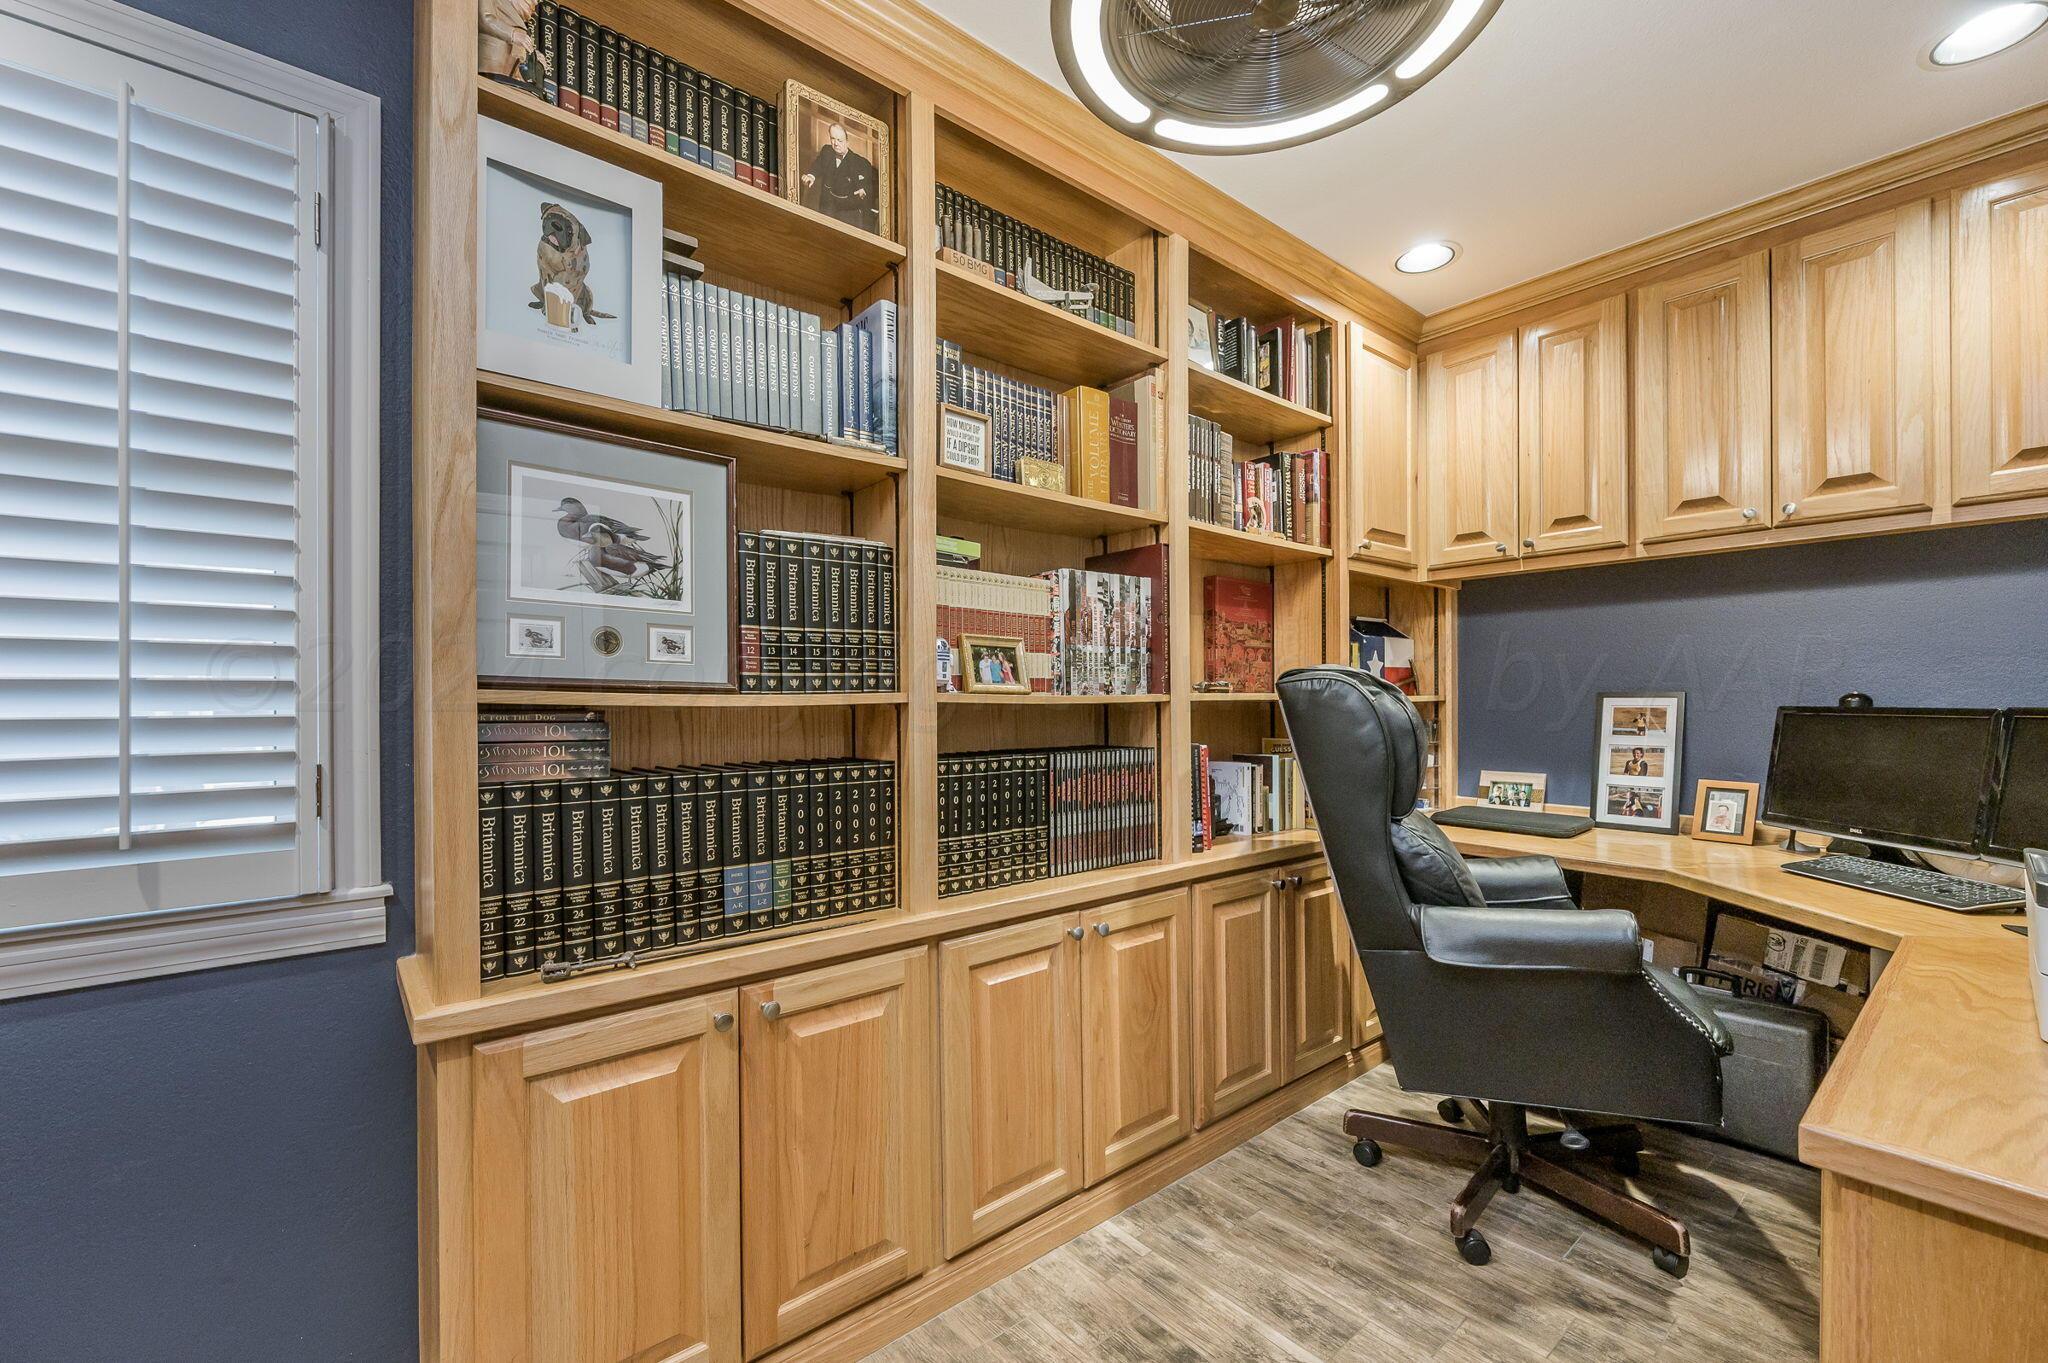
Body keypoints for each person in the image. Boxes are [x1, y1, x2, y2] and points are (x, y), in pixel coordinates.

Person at [800, 121, 878, 232]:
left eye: (839, 140)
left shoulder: (860, 162)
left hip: (848, 212)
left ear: (847, 142)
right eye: (833, 139)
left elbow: (870, 185)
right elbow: (818, 165)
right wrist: (811, 175)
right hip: (827, 208)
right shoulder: (826, 151)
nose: (835, 143)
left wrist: (863, 190)